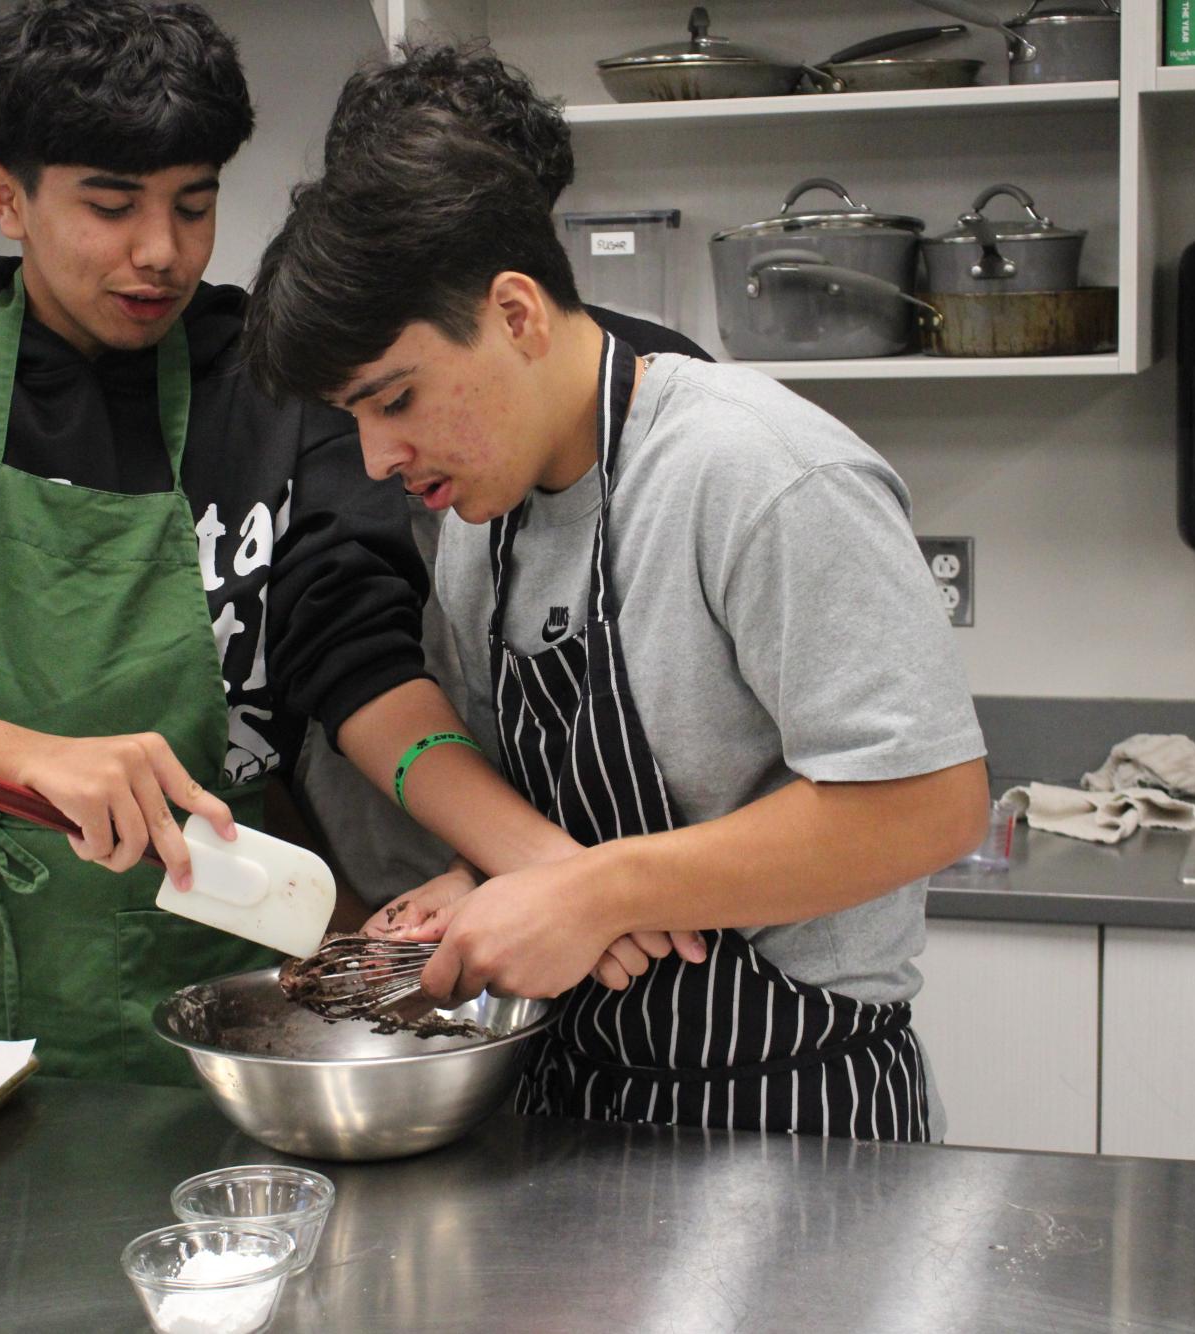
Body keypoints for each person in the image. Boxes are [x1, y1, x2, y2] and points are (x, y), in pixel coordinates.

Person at [0, 3, 611, 1085]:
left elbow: (360, 662)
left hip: (222, 1008)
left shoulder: (270, 383)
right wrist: (24, 759)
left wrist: (536, 860)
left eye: (193, 206)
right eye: (111, 207)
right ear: (5, 193)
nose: (162, 252)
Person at [244, 108, 991, 1139]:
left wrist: (595, 892)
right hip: (575, 1107)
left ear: (515, 315)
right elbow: (563, 818)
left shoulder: (755, 470)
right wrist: (474, 893)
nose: (377, 458)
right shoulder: (479, 528)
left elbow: (931, 803)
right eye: (355, 418)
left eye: (397, 399)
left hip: (799, 1114)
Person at [295, 41, 714, 910]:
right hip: (401, 869)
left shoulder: (686, 407)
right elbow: (346, 642)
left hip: (650, 891)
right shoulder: (334, 398)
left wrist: (589, 888)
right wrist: (502, 866)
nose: (384, 451)